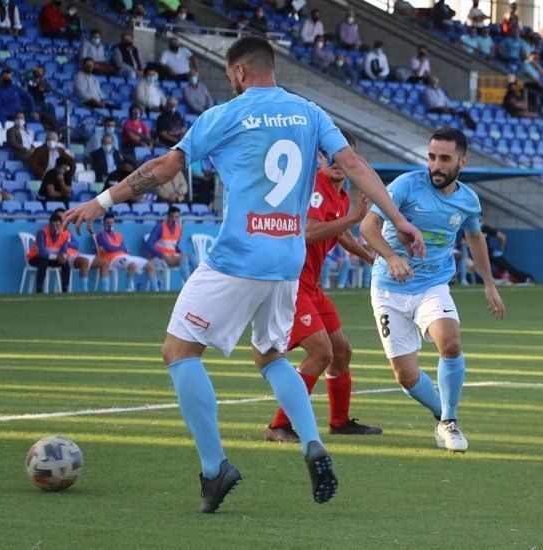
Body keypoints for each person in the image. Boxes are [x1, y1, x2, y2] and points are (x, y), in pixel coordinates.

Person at [62, 35, 423, 514]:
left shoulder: (225, 115)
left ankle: (215, 469)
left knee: (179, 351)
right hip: (286, 262)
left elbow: (164, 167)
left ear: (236, 72)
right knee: (271, 354)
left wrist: (101, 200)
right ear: (271, 68)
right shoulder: (309, 112)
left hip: (236, 257)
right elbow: (353, 164)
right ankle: (311, 442)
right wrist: (397, 219)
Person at [359, 127, 504, 453]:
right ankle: (441, 415)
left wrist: (490, 285)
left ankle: (450, 421)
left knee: (450, 340)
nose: (436, 165)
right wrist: (393, 257)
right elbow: (368, 226)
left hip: (431, 285)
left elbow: (475, 238)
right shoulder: (406, 186)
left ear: (461, 162)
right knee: (406, 376)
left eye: (444, 158)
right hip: (388, 288)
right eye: (432, 157)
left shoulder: (468, 200)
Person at [266, 130, 381, 442]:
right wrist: (354, 218)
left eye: (341, 154)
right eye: (327, 153)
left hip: (310, 285)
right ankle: (279, 425)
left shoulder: (341, 196)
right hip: (290, 282)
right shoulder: (315, 186)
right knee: (321, 352)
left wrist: (370, 256)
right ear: (319, 158)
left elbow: (339, 232)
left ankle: (340, 422)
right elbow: (310, 231)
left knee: (341, 351)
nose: (334, 160)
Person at [94, 211, 159, 292]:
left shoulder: (118, 235)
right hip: (111, 259)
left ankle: (156, 290)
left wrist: (117, 248)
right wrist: (120, 248)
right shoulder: (101, 235)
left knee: (150, 265)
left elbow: (124, 248)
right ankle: (128, 289)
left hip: (125, 256)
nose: (110, 224)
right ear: (103, 223)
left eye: (112, 222)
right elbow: (110, 248)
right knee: (132, 265)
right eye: (108, 222)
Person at [146, 206, 192, 285]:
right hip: (160, 258)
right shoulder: (160, 227)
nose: (174, 219)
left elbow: (174, 245)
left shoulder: (179, 229)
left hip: (172, 256)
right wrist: (161, 255)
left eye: (176, 217)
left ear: (179, 217)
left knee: (193, 257)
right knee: (183, 259)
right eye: (172, 216)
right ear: (167, 216)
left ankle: (198, 285)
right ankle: (189, 286)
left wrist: (180, 252)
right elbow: (149, 244)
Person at [27, 213, 71, 292]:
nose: (55, 228)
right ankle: (39, 289)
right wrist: (57, 257)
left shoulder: (65, 234)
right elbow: (42, 252)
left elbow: (64, 250)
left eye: (57, 226)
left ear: (61, 225)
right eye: (53, 226)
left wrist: (62, 256)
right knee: (43, 261)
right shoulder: (42, 233)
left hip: (51, 259)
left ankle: (65, 290)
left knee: (65, 263)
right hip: (35, 258)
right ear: (49, 225)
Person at [480, 219, 534, 283]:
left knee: (507, 266)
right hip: (479, 256)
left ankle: (525, 278)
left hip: (490, 255)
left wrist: (501, 251)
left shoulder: (485, 229)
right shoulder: (470, 231)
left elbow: (503, 237)